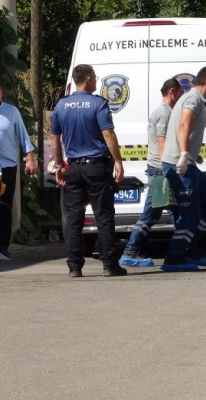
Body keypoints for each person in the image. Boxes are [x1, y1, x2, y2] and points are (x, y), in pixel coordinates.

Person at [50, 65, 127, 277]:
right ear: (89, 79)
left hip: (73, 167)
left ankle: (74, 266)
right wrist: (118, 161)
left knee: (74, 218)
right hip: (96, 167)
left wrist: (58, 165)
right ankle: (109, 265)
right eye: (95, 78)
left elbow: (54, 138)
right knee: (103, 216)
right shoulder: (98, 103)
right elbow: (108, 134)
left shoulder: (61, 106)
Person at [160, 66, 206, 272]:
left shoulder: (195, 99)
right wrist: (185, 154)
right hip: (180, 164)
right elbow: (184, 125)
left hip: (189, 163)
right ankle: (174, 257)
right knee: (189, 213)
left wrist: (193, 154)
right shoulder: (193, 99)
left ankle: (191, 248)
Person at [119, 78, 184, 267]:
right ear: (172, 91)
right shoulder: (164, 113)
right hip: (161, 171)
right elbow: (163, 143)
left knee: (177, 213)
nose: (181, 97)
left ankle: (184, 250)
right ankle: (130, 252)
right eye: (180, 93)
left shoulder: (165, 112)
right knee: (151, 215)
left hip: (160, 170)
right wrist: (169, 169)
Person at [0, 79, 38, 258]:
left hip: (7, 166)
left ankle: (3, 245)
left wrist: (30, 159)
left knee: (4, 206)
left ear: (1, 94)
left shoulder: (12, 112)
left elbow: (23, 137)